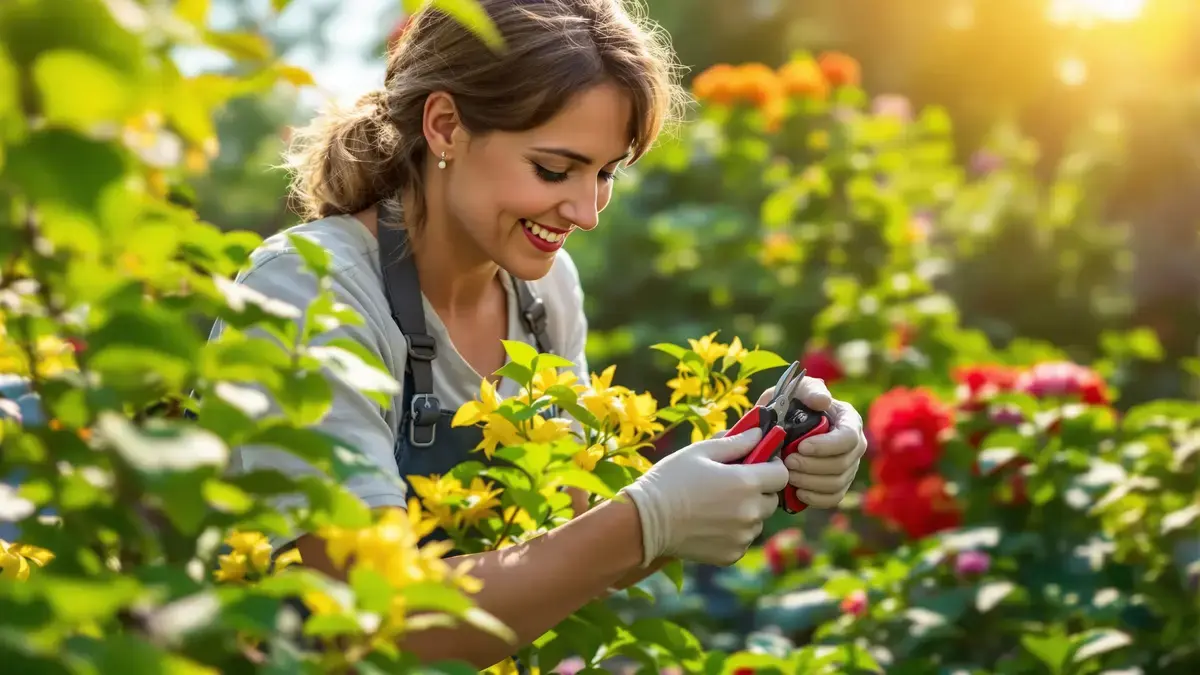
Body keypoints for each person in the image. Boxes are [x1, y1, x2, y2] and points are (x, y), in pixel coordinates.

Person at [208, 0, 868, 668]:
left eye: (605, 172)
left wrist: (755, 461)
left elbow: (564, 547)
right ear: (444, 127)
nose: (586, 213)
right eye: (555, 170)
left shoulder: (541, 293)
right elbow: (374, 619)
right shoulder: (307, 294)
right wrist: (649, 519)